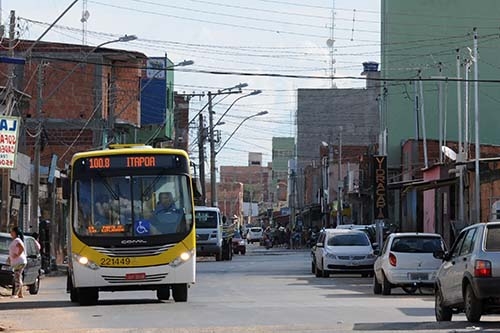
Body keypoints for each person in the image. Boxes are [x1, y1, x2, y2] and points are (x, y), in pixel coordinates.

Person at [9, 226, 27, 298]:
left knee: (17, 277)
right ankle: (20, 293)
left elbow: (21, 248)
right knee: (19, 276)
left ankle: (15, 293)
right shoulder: (16, 240)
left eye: (11, 231)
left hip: (19, 262)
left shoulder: (17, 240)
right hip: (19, 261)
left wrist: (17, 255)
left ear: (14, 232)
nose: (10, 233)